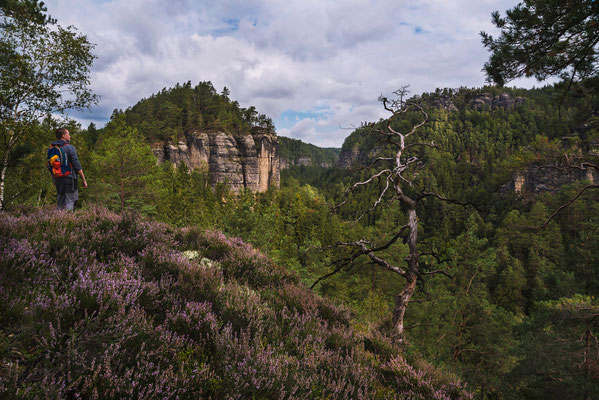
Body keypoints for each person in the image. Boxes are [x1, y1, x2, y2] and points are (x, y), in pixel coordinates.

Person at [50, 128, 87, 210]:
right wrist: (84, 179)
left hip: (57, 178)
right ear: (63, 136)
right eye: (68, 134)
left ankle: (58, 221)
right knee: (70, 200)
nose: (70, 136)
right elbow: (76, 165)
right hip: (69, 178)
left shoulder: (52, 148)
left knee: (60, 201)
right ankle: (69, 221)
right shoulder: (69, 147)